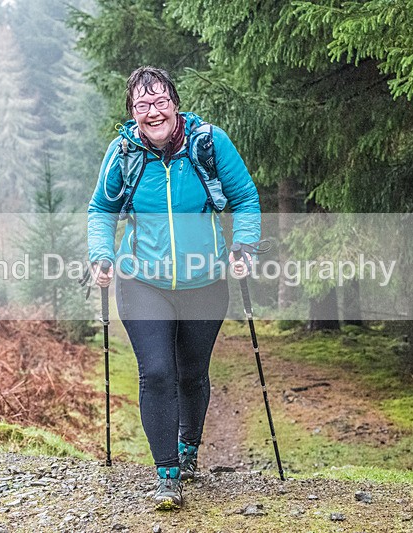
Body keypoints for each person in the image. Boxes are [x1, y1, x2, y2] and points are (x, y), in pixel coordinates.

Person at [87, 66, 261, 510]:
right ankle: (166, 474)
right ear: (132, 112)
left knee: (190, 373)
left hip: (205, 280)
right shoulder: (123, 152)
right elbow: (101, 209)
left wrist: (243, 246)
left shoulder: (208, 144)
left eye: (161, 101)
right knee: (158, 371)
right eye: (142, 105)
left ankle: (188, 450)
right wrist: (102, 256)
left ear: (175, 104)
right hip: (142, 279)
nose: (153, 111)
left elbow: (244, 197)